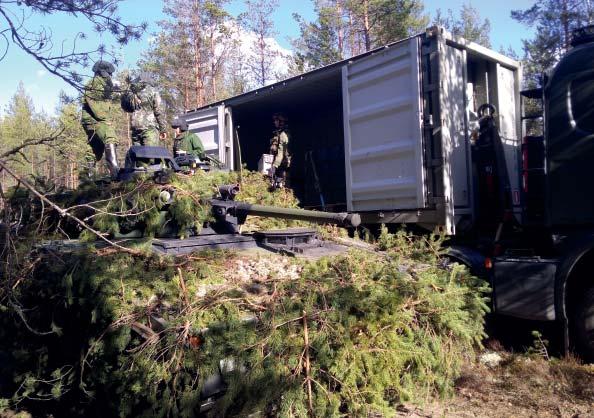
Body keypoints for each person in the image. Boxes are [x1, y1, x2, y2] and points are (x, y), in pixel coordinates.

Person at [81, 60, 119, 179]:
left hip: (94, 120)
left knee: (95, 147)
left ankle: (88, 179)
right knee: (110, 137)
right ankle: (115, 174)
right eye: (109, 73)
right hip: (95, 120)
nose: (111, 76)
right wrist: (105, 120)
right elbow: (96, 108)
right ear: (103, 73)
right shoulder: (93, 84)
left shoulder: (104, 85)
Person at [121, 72, 168, 146]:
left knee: (138, 156)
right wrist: (163, 129)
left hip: (135, 129)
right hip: (149, 128)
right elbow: (159, 112)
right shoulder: (153, 91)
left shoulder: (133, 92)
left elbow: (126, 108)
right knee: (150, 154)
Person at [268, 112, 291, 188]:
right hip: (277, 166)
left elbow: (281, 152)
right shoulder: (277, 134)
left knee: (283, 188)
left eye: (276, 120)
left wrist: (274, 166)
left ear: (281, 122)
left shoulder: (284, 135)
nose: (274, 122)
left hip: (282, 167)